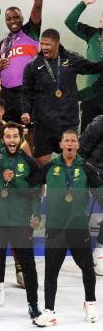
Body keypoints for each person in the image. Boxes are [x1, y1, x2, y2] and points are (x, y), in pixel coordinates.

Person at [32, 130, 100, 327]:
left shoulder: (86, 169)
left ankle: (90, 303)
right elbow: (32, 187)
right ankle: (49, 311)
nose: (70, 143)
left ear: (78, 145)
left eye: (73, 140)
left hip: (78, 228)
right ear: (61, 145)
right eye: (66, 140)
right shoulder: (50, 167)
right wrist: (35, 211)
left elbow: (100, 192)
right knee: (51, 271)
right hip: (55, 228)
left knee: (87, 268)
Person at [0, 122, 41, 322]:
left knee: (28, 264)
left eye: (15, 136)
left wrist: (36, 213)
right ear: (2, 139)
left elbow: (35, 192)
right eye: (8, 137)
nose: (11, 140)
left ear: (20, 139)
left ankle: (33, 305)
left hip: (21, 222)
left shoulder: (29, 163)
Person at [21, 28, 103, 166]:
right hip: (43, 124)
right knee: (42, 165)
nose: (44, 47)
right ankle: (44, 187)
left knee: (71, 163)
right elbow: (27, 92)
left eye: (48, 44)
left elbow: (93, 68)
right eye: (42, 44)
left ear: (57, 44)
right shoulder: (33, 66)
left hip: (67, 122)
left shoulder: (71, 59)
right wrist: (25, 111)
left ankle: (69, 187)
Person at [0, 0, 44, 124]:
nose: (13, 21)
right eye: (9, 18)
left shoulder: (30, 31)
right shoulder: (3, 43)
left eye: (16, 17)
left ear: (22, 18)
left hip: (26, 91)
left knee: (29, 129)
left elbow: (38, 5)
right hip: (7, 94)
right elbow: (0, 69)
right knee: (9, 130)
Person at [65, 0, 103, 132]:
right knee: (88, 137)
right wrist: (84, 3)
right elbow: (70, 22)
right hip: (91, 95)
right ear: (101, 21)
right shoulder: (92, 33)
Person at [78, 115, 103, 275]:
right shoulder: (100, 122)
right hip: (95, 174)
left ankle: (99, 252)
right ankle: (100, 254)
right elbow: (81, 150)